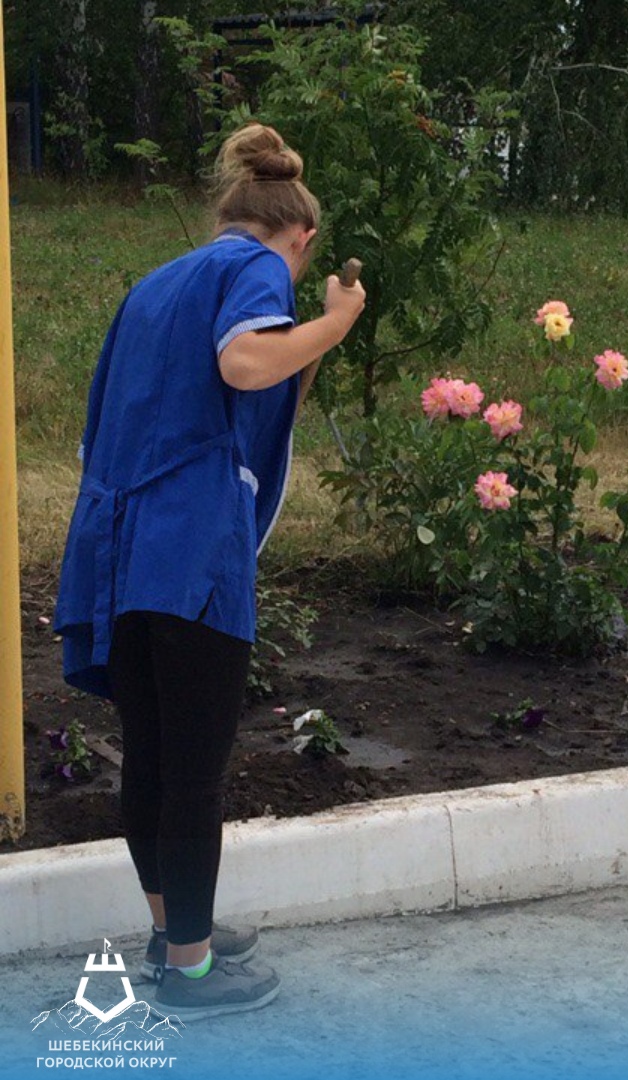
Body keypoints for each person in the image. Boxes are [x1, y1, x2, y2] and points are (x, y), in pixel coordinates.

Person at [53, 122, 366, 1016]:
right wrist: (334, 321)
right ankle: (192, 971)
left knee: (149, 759)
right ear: (298, 237)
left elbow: (155, 408)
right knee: (193, 773)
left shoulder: (155, 287)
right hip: (188, 556)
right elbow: (244, 360)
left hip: (116, 554)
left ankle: (170, 934)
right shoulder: (258, 270)